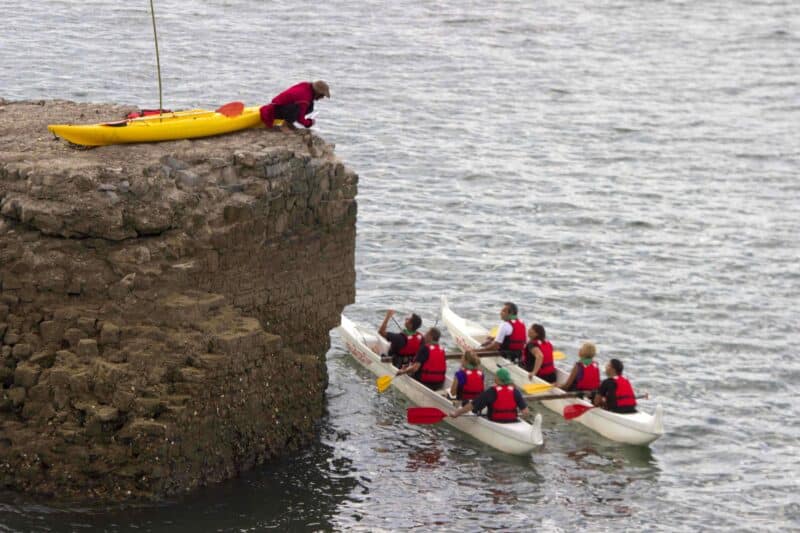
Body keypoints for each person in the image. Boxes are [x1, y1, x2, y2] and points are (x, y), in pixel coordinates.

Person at [450, 368, 529, 423]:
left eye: (496, 377)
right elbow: (525, 412)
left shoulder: (492, 392)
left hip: (496, 421)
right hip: (513, 420)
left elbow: (472, 405)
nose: (494, 379)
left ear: (498, 379)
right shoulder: (515, 391)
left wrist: (456, 413)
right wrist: (517, 418)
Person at [259, 80, 330, 129]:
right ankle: (285, 125)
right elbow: (300, 118)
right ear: (317, 93)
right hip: (273, 110)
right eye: (322, 95)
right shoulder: (304, 97)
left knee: (310, 106)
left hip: (279, 107)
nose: (322, 97)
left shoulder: (306, 86)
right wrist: (310, 123)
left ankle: (289, 123)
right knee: (296, 108)